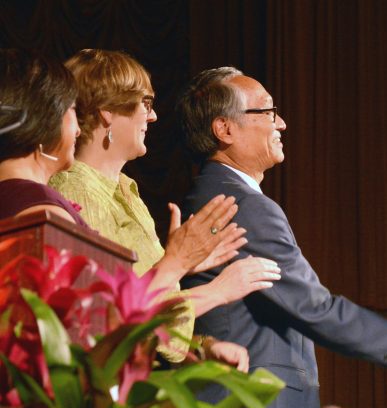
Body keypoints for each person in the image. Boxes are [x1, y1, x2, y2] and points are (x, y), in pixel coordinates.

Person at [176, 66, 387, 408]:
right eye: (267, 111)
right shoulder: (240, 205)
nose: (282, 123)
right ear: (224, 129)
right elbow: (314, 307)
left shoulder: (221, 196)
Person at [0, 48, 245, 364]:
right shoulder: (43, 210)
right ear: (43, 118)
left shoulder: (32, 202)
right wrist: (177, 263)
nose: (78, 127)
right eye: (72, 111)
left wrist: (197, 343)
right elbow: (98, 328)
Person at [48, 49, 283, 367]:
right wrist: (213, 288)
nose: (153, 116)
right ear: (107, 113)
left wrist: (200, 346)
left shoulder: (126, 190)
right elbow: (107, 318)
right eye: (145, 104)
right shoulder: (77, 191)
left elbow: (149, 313)